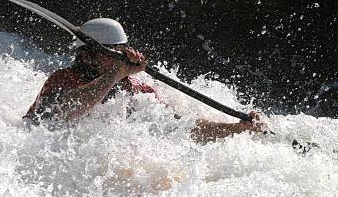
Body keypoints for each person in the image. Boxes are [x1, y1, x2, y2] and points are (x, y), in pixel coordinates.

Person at [24, 18, 265, 142]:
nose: (118, 62)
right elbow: (63, 113)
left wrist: (237, 129)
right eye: (111, 56)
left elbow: (182, 130)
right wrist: (116, 74)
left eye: (120, 54)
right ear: (86, 55)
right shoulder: (62, 80)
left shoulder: (139, 92)